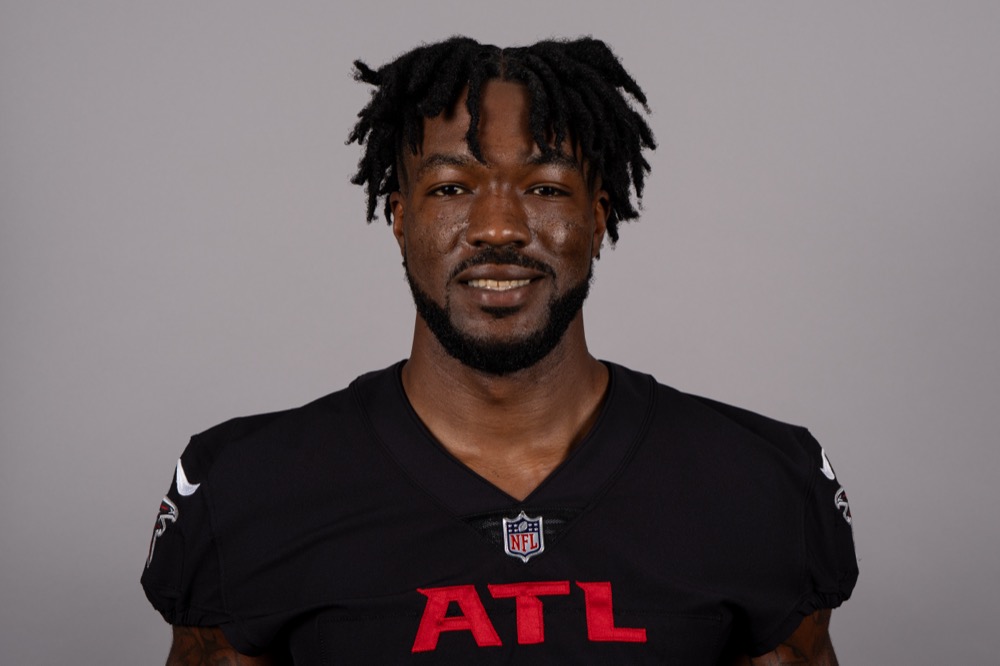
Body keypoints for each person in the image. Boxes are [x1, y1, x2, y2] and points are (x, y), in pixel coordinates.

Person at [142, 36, 858, 664]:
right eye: (451, 186)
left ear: (598, 217)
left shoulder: (757, 482)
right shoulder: (249, 489)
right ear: (399, 218)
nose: (498, 227)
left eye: (545, 186)